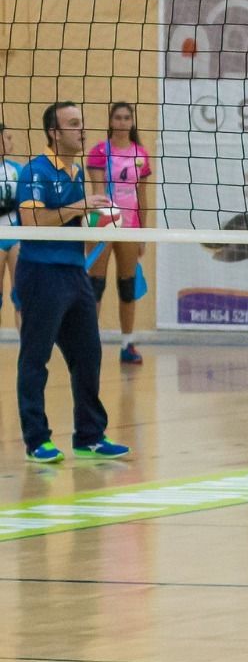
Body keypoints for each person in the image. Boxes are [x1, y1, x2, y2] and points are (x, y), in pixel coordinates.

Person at [14, 101, 129, 463]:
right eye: (74, 124)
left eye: (82, 123)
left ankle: (90, 436)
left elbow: (74, 222)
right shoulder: (36, 172)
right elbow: (33, 223)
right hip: (41, 273)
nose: (82, 130)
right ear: (54, 132)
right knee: (36, 358)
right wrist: (80, 207)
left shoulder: (76, 172)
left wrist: (99, 221)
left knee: (88, 355)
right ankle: (37, 441)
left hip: (73, 272)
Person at [85, 101, 153, 364]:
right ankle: (89, 343)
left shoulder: (140, 153)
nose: (123, 122)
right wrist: (100, 228)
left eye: (127, 118)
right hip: (104, 221)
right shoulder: (100, 151)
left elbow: (142, 196)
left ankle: (127, 345)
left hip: (130, 227)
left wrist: (143, 233)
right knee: (95, 285)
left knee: (127, 286)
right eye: (118, 117)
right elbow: (98, 193)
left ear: (132, 122)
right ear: (111, 121)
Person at [0, 121, 20, 327]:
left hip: (15, 235)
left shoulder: (17, 170)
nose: (10, 141)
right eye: (7, 137)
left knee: (20, 296)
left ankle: (26, 352)